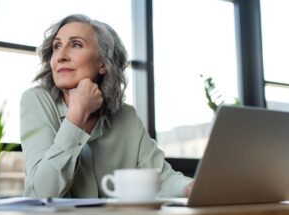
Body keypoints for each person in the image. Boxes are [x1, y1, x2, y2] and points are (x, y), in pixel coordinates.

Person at [20, 14, 194, 199]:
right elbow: (44, 191)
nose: (61, 56)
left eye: (76, 44)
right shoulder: (36, 100)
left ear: (103, 64)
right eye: (57, 46)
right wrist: (77, 117)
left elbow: (162, 179)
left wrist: (189, 187)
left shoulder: (126, 116)